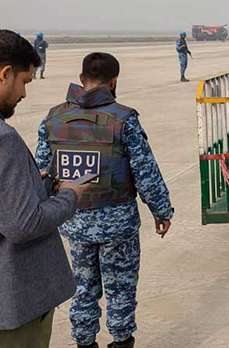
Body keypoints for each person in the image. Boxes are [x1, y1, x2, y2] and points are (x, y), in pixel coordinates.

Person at [35, 52, 175, 348]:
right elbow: (145, 171)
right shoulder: (124, 119)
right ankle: (122, 342)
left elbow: (42, 172)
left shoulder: (53, 118)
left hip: (74, 222)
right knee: (120, 288)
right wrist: (161, 211)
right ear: (113, 82)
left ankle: (84, 343)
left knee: (83, 288)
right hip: (118, 225)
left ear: (82, 78)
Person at [0, 30, 87, 348]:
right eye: (23, 82)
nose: (23, 93)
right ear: (5, 73)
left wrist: (34, 184)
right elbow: (23, 224)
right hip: (14, 306)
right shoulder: (4, 139)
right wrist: (70, 195)